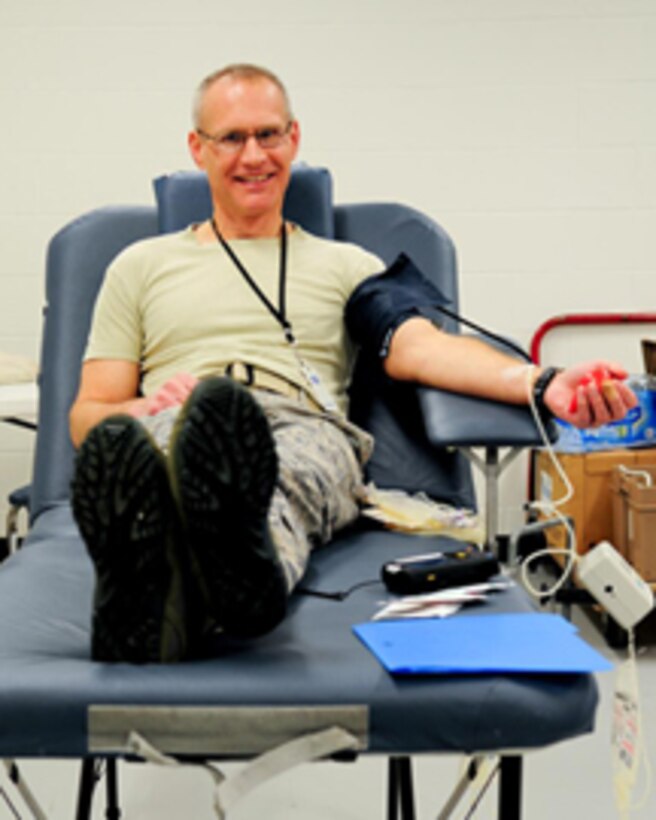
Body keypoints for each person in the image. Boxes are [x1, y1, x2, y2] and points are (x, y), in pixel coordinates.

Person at [69, 63, 638, 664]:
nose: (253, 155)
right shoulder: (140, 265)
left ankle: (193, 585)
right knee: (157, 465)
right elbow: (89, 417)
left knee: (280, 481)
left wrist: (543, 382)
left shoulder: (348, 266)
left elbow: (424, 348)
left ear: (294, 138)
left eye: (269, 135)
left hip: (302, 426)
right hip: (178, 422)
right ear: (198, 149)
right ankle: (181, 587)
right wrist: (146, 407)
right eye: (232, 138)